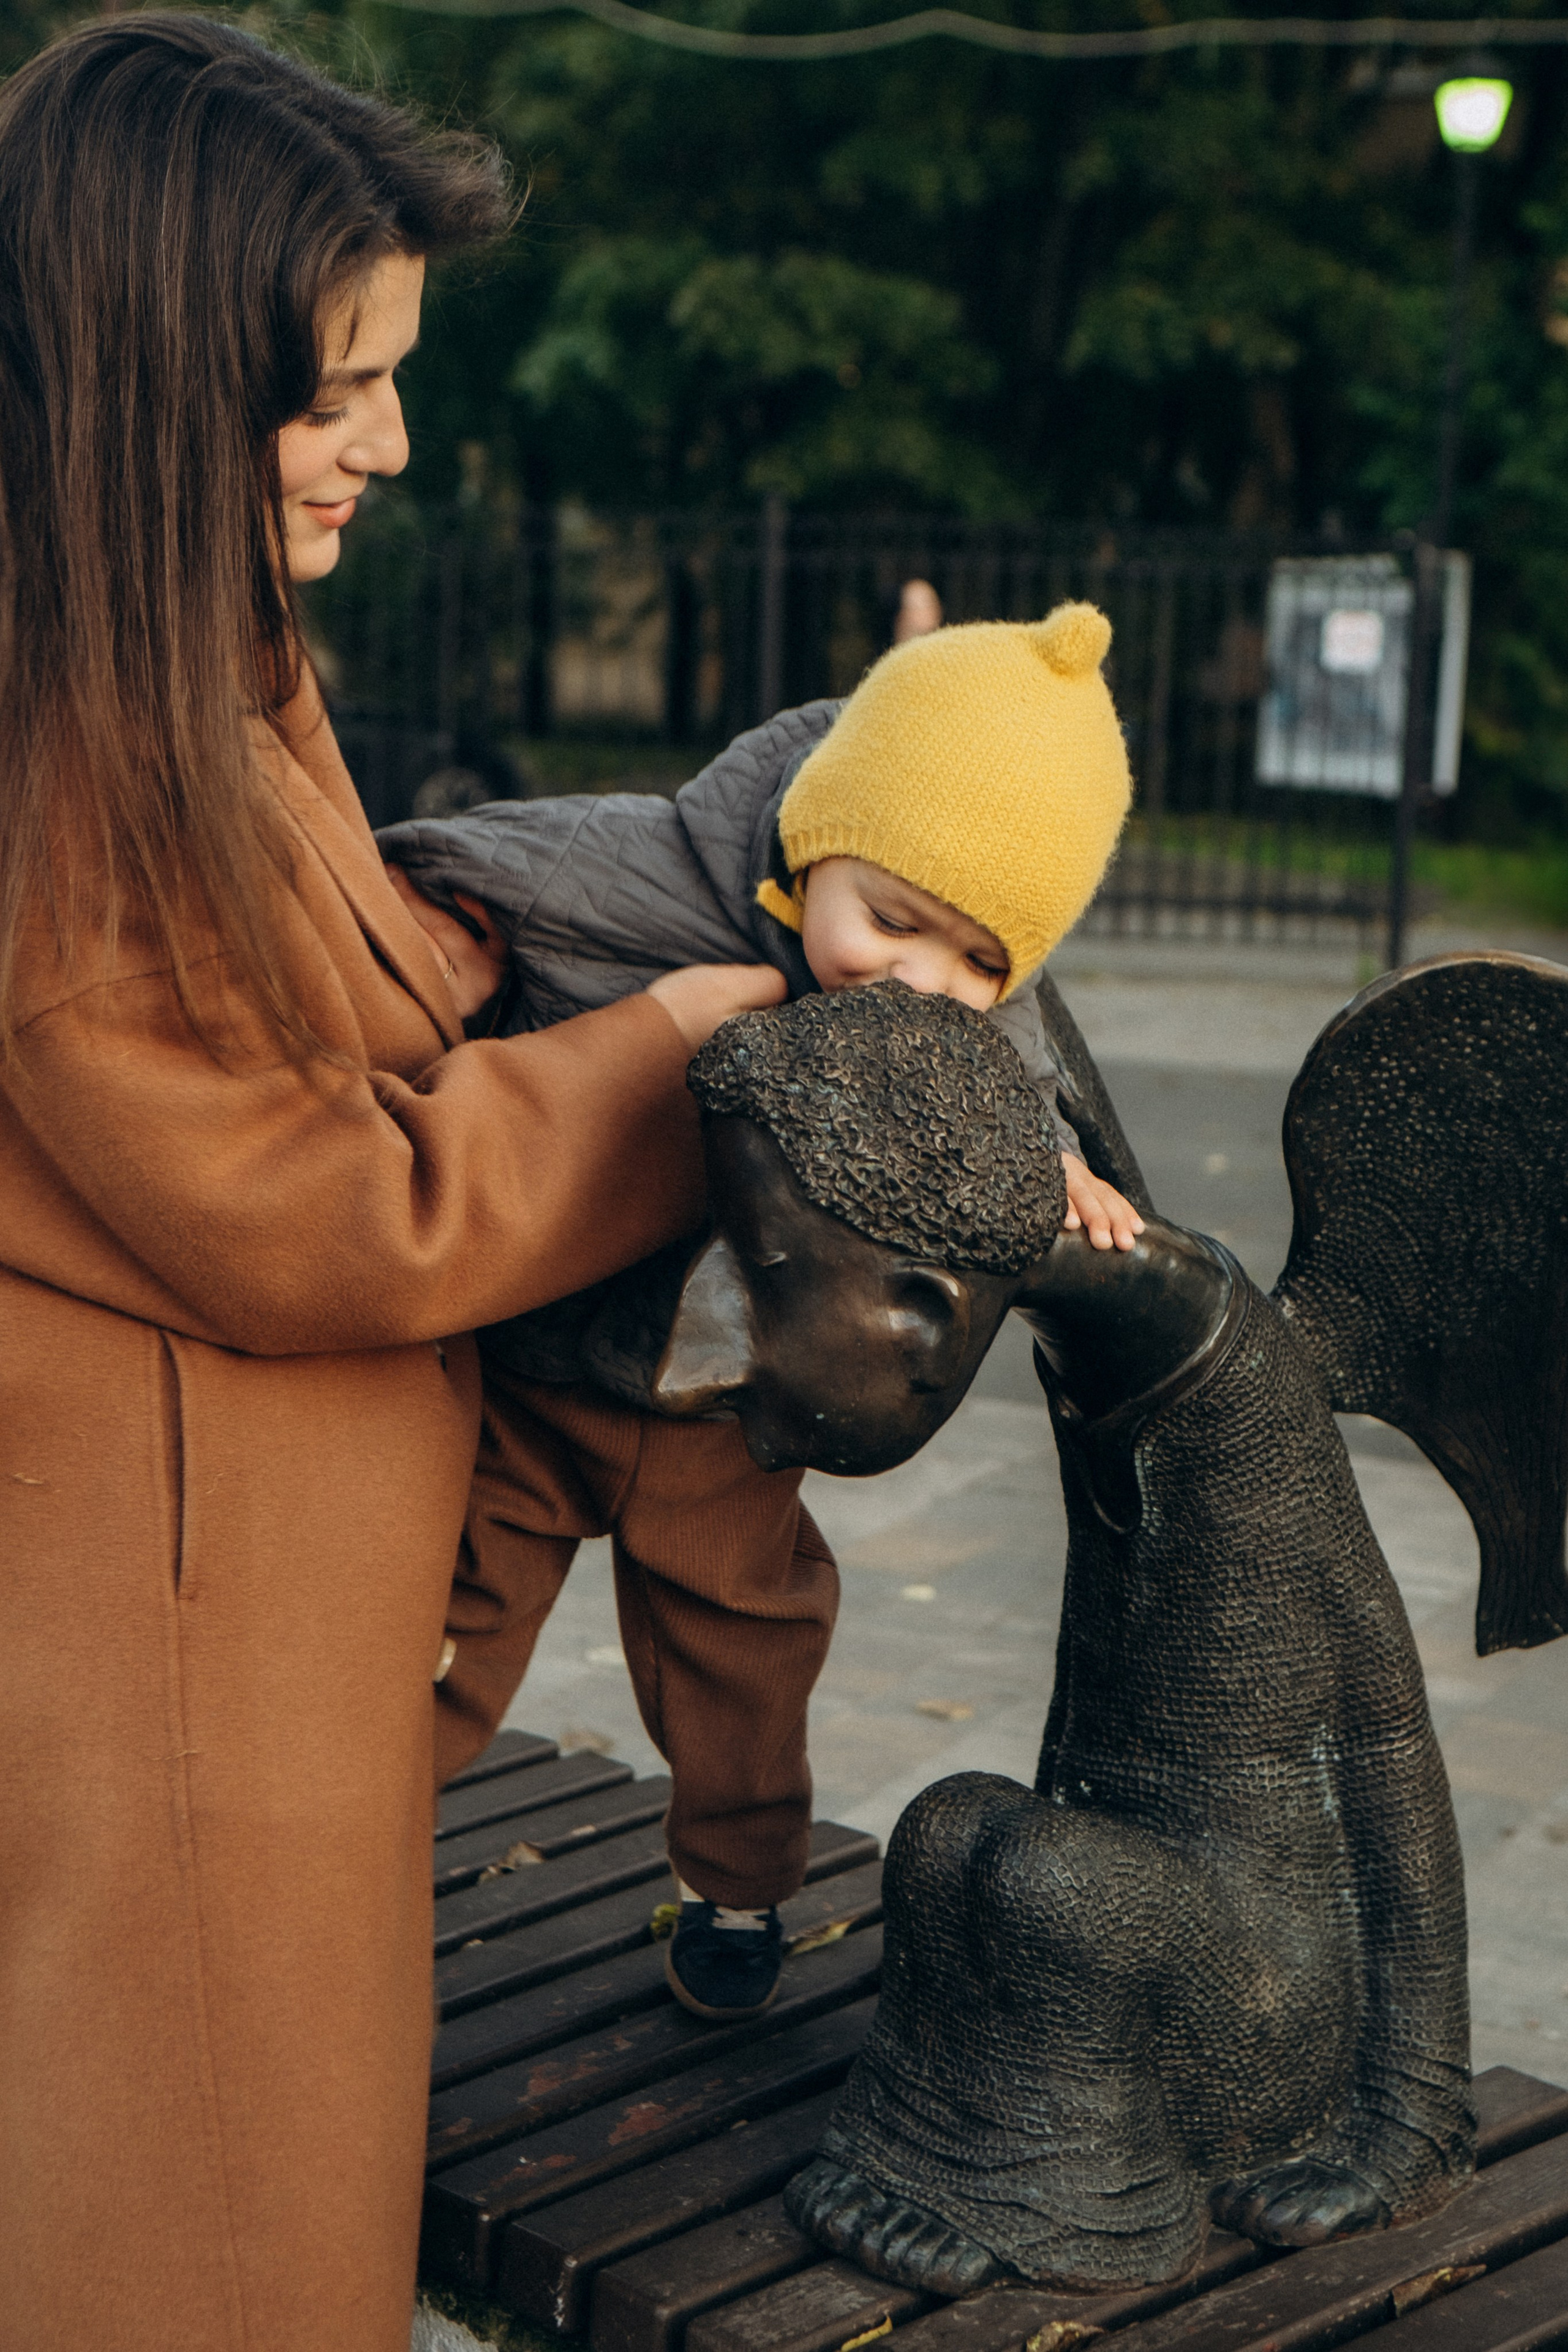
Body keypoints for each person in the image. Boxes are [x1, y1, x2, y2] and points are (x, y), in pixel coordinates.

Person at [0, 20, 780, 2352]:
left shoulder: (189, 659)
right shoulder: (73, 748)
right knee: (212, 2260)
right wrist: (669, 1052)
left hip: (251, 1635)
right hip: (173, 1690)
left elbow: (325, 981)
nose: (394, 442)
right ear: (160, 387)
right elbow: (324, 1210)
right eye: (338, 389)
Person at [382, 601, 1144, 2023]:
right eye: (891, 920)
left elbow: (1015, 1081)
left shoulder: (965, 998)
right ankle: (348, 1839)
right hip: (541, 1370)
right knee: (448, 1612)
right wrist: (441, 948)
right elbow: (438, 868)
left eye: (973, 959)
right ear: (815, 839)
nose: (916, 976)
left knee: (748, 1648)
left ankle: (737, 1889)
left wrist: (1061, 1168)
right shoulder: (638, 870)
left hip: (725, 1414)